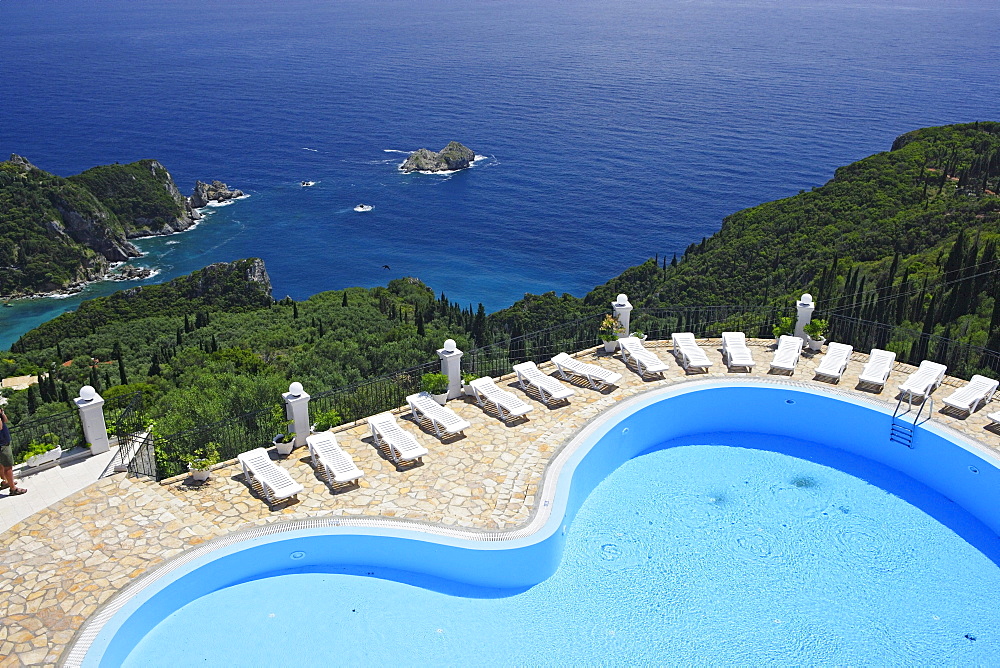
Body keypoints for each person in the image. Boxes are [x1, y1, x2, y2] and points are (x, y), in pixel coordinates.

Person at [0, 406, 27, 495]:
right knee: (8, 467)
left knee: (2, 465)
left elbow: (5, 420)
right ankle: (13, 489)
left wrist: (2, 413)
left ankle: (5, 482)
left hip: (4, 442)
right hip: (2, 445)